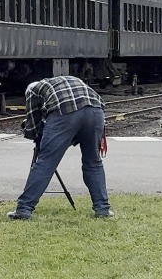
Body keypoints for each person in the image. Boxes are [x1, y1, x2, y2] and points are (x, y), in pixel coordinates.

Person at [9, 73, 112, 220]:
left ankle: (24, 209)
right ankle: (102, 209)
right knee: (93, 163)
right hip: (96, 111)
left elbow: (32, 125)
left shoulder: (33, 91)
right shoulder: (68, 80)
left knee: (45, 163)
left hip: (66, 112)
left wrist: (37, 135)